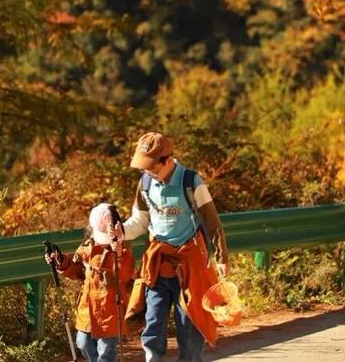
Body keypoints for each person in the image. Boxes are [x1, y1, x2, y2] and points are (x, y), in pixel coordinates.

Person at [122, 132, 229, 362]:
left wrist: (221, 258)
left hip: (189, 265)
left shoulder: (191, 182)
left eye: (152, 167)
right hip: (158, 263)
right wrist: (120, 232)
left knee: (188, 327)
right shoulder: (145, 183)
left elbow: (213, 224)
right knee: (153, 320)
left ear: (168, 161)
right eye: (144, 168)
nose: (148, 172)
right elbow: (139, 222)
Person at [45, 202, 135, 362]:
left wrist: (119, 254)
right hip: (88, 308)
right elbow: (77, 270)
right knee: (82, 343)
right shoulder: (87, 247)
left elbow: (125, 275)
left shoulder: (123, 252)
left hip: (111, 311)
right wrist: (61, 261)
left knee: (106, 354)